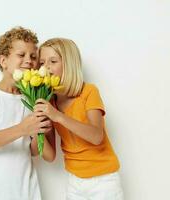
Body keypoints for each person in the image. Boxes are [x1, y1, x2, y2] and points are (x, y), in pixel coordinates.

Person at [0, 27, 55, 200]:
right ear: (3, 60)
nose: (29, 61)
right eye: (21, 55)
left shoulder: (33, 99)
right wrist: (23, 128)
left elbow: (33, 151)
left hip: (27, 190)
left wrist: (38, 131)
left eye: (33, 56)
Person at [34, 38, 124, 200]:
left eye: (53, 61)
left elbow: (96, 136)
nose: (45, 67)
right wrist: (35, 129)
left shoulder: (88, 92)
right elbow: (50, 156)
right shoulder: (50, 101)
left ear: (69, 65)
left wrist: (58, 116)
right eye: (41, 63)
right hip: (75, 181)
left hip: (104, 180)